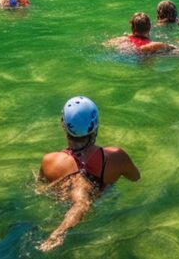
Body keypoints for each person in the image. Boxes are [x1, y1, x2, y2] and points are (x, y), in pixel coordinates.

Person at [37, 96, 140, 252]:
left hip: (61, 207)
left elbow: (40, 189)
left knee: (79, 200)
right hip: (100, 216)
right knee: (81, 200)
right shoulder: (116, 157)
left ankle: (59, 232)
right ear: (95, 126)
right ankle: (60, 232)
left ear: (63, 124)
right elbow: (135, 178)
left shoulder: (49, 161)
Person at [106, 12, 178, 54]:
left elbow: (106, 44)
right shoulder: (155, 45)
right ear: (149, 28)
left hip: (128, 53)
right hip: (143, 54)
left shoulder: (122, 39)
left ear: (132, 28)